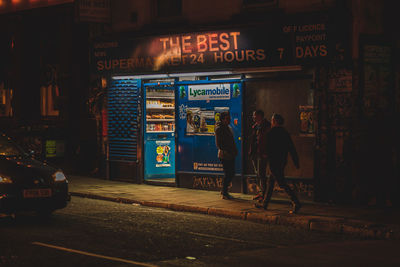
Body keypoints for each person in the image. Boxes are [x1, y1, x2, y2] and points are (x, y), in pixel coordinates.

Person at [255, 113, 302, 213]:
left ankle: (296, 202)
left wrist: (264, 155)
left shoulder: (271, 133)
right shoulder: (285, 133)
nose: (271, 122)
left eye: (272, 120)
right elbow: (291, 148)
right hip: (282, 161)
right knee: (270, 183)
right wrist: (296, 161)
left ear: (275, 121)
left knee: (281, 183)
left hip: (274, 162)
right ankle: (265, 204)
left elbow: (268, 148)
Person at [249, 110, 271, 202]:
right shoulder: (255, 126)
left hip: (262, 153)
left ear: (259, 116)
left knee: (261, 174)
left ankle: (263, 194)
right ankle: (260, 193)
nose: (253, 117)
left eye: (254, 116)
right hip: (255, 153)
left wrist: (266, 152)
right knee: (257, 173)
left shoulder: (266, 126)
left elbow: (268, 140)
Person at [215, 111, 238, 199]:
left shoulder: (228, 127)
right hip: (224, 154)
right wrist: (229, 150)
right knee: (228, 173)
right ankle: (224, 192)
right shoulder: (219, 129)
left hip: (230, 153)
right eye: (227, 119)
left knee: (230, 173)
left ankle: (224, 191)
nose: (229, 120)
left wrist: (234, 150)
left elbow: (231, 141)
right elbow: (219, 144)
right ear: (223, 119)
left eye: (229, 118)